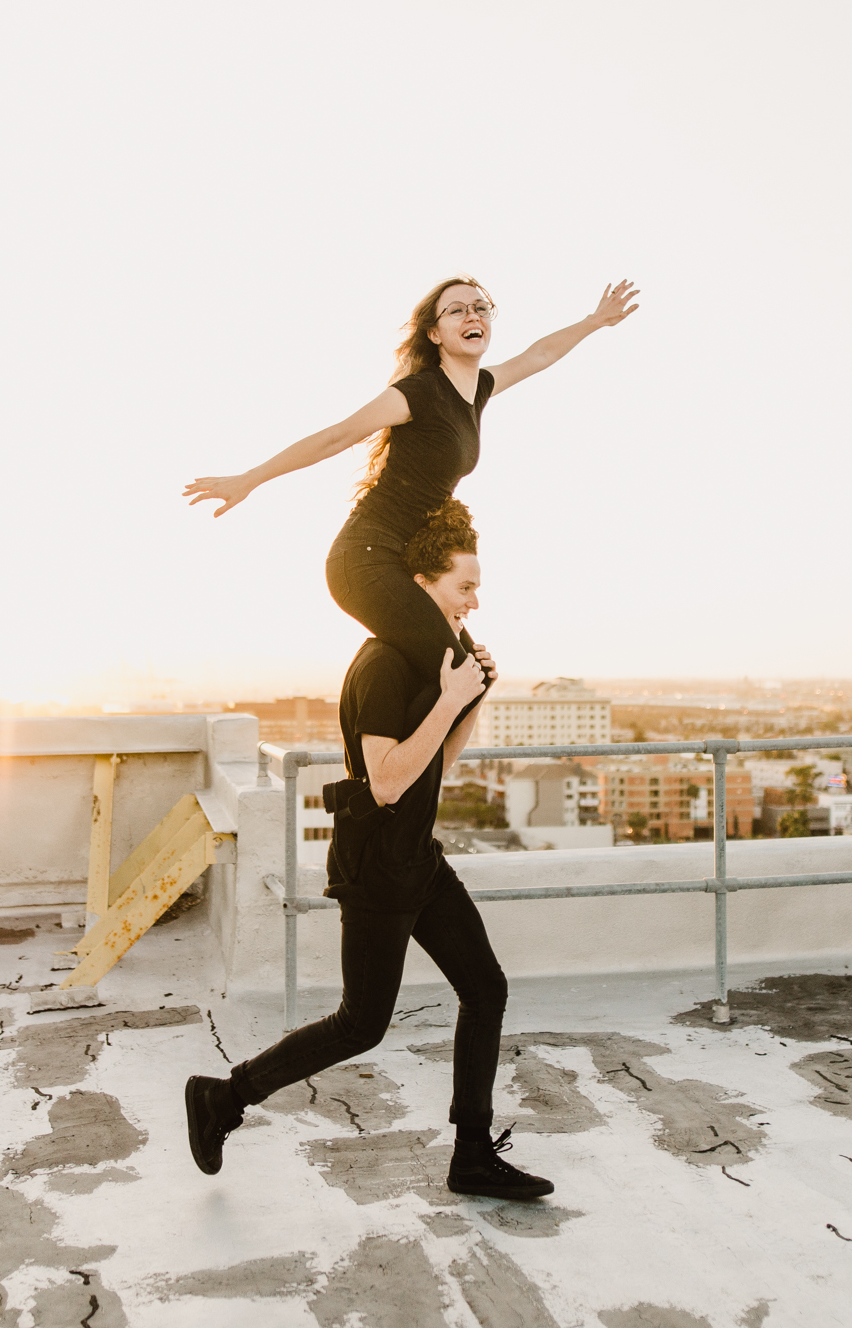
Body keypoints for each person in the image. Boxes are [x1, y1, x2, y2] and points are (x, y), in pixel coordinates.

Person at [185, 502, 551, 1199]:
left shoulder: (429, 659)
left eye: (478, 588)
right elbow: (384, 781)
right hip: (378, 862)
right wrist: (448, 699)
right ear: (419, 584)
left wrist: (470, 697)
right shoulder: (383, 662)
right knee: (362, 1023)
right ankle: (222, 1098)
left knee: (485, 987)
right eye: (463, 587)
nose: (476, 601)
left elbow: (438, 759)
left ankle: (472, 1152)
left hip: (418, 856)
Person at [183, 276, 638, 709]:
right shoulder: (418, 393)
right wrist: (249, 478)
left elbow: (539, 355)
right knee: (461, 674)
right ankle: (383, 779)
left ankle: (397, 779)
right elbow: (336, 437)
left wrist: (595, 320)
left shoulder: (478, 388)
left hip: (402, 562)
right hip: (364, 558)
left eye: (480, 307)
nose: (471, 315)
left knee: (472, 676)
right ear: (435, 333)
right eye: (456, 310)